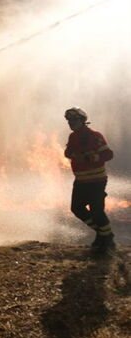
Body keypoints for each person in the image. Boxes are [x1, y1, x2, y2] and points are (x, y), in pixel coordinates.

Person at [64, 107, 115, 253]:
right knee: (76, 208)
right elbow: (67, 152)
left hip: (96, 181)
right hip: (80, 180)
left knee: (97, 211)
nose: (70, 123)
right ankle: (102, 232)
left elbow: (108, 154)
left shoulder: (95, 136)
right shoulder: (73, 137)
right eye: (69, 120)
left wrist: (89, 157)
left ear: (82, 120)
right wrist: (73, 154)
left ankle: (107, 240)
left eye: (73, 120)